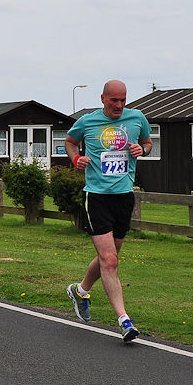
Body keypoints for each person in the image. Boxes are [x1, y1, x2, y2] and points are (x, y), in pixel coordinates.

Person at [65, 80, 152, 342]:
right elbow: (70, 142)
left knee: (109, 257)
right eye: (114, 100)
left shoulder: (137, 118)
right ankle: (124, 320)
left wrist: (142, 150)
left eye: (123, 100)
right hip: (97, 196)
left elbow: (148, 143)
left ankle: (80, 291)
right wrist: (76, 159)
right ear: (103, 98)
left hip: (124, 196)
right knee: (110, 260)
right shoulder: (87, 122)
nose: (119, 105)